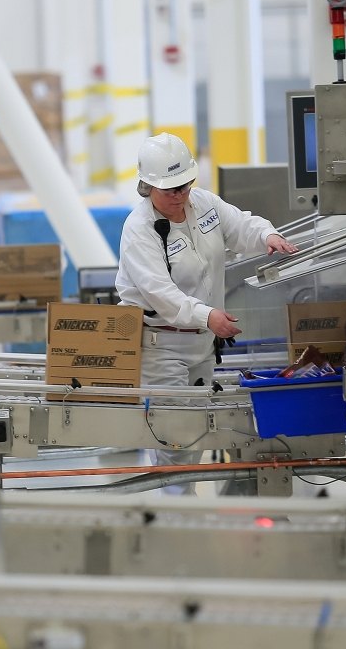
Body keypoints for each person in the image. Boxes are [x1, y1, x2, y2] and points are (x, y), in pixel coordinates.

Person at [116, 133, 298, 494]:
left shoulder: (205, 205)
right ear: (147, 185)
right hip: (161, 348)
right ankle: (174, 521)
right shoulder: (139, 230)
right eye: (170, 190)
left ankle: (183, 508)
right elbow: (161, 294)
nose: (179, 195)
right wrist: (207, 316)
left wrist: (267, 236)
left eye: (184, 185)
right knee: (174, 440)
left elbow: (241, 224)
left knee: (195, 433)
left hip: (202, 345)